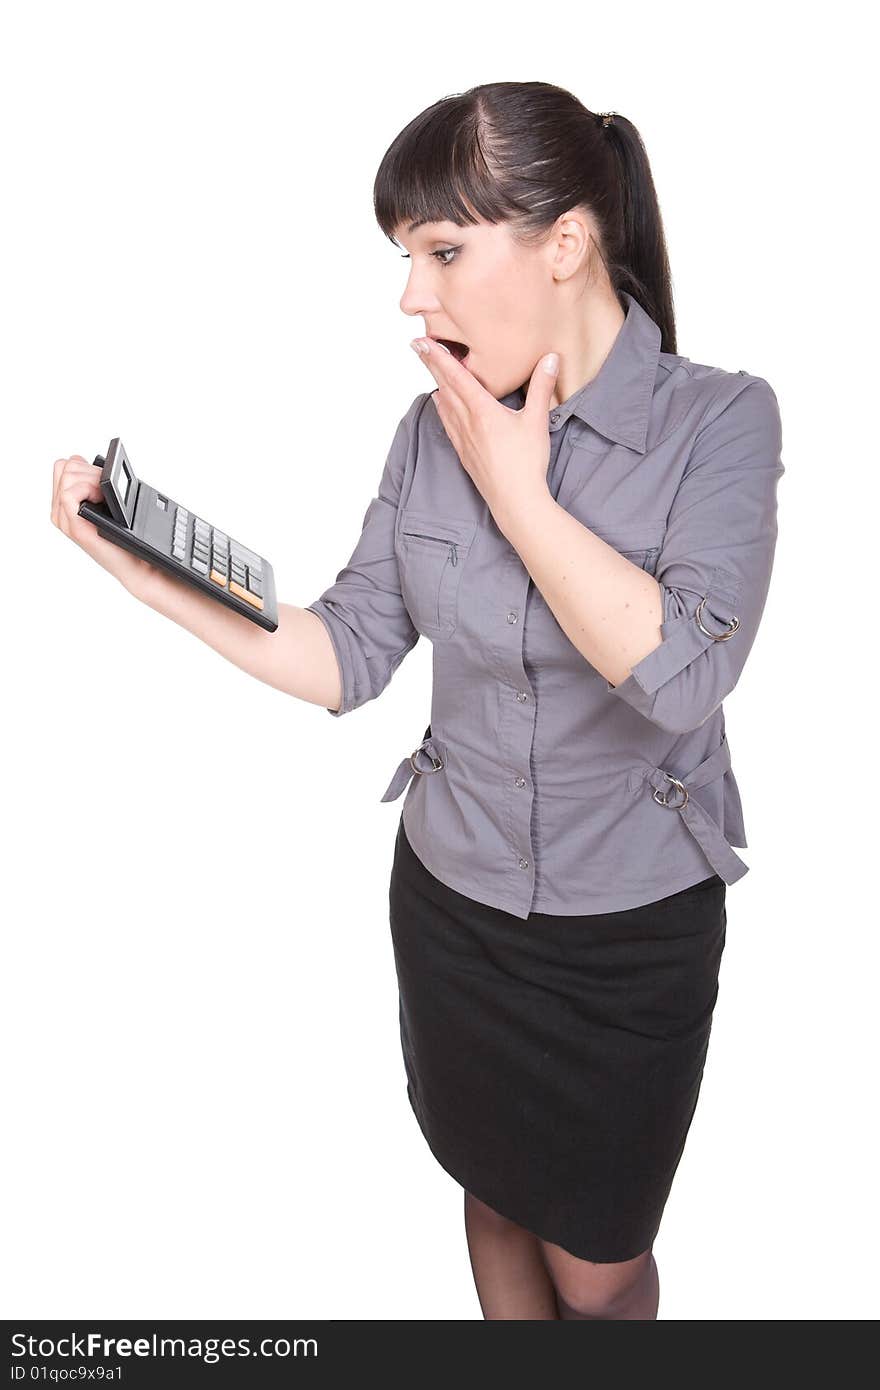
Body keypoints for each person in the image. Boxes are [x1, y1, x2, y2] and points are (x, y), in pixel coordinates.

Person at [50, 81, 784, 1321]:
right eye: (406, 258)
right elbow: (344, 651)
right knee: (490, 1196)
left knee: (599, 1268)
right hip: (454, 907)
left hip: (629, 934)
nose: (412, 297)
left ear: (565, 245)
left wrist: (522, 494)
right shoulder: (427, 429)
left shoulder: (719, 419)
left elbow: (683, 671)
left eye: (443, 251)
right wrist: (145, 570)